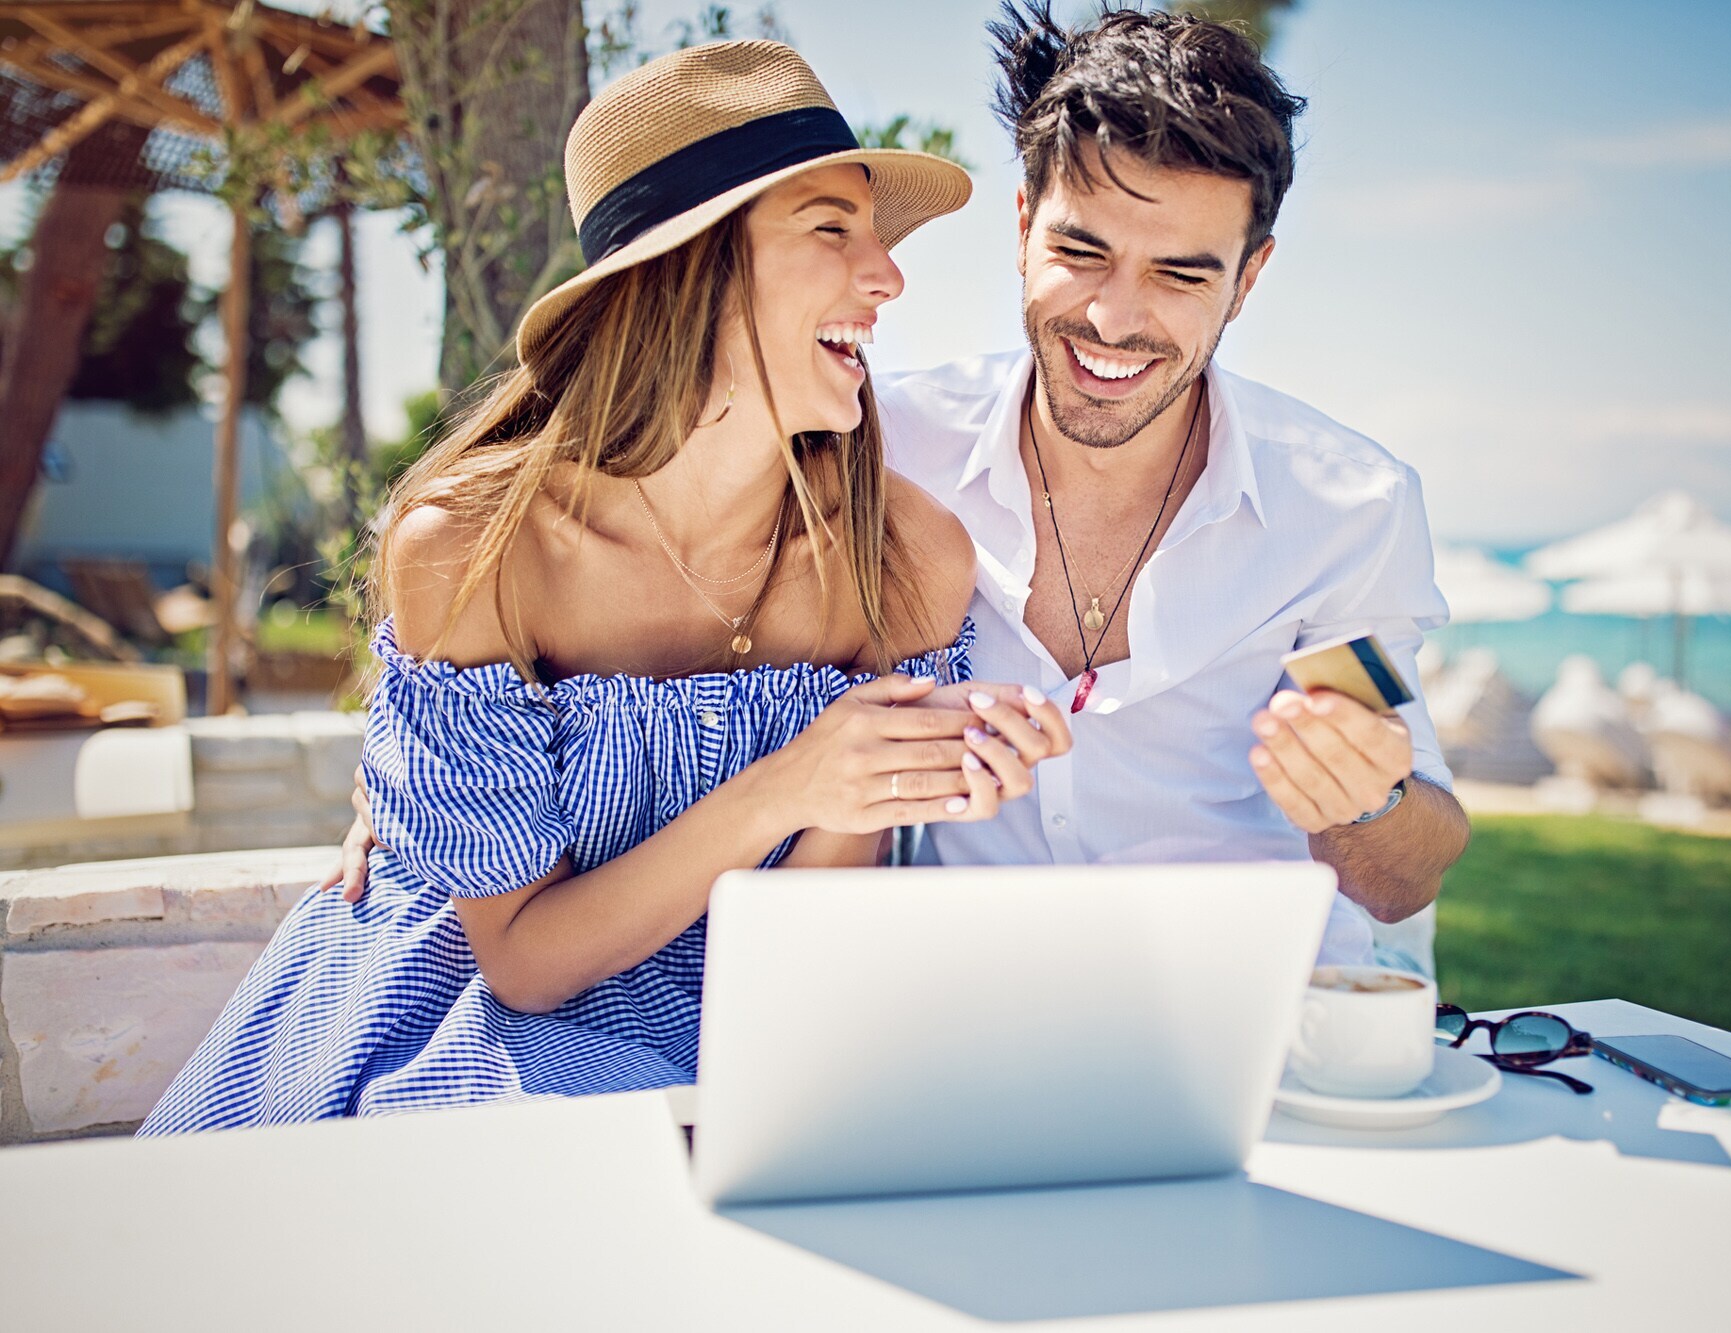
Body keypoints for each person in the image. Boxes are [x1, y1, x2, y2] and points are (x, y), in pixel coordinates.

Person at [331, 4, 1470, 971]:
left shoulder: (1345, 511)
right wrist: (424, 781)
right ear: (1021, 229)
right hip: (961, 1003)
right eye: (1081, 253)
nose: (1117, 319)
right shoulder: (869, 453)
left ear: (1250, 275)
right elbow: (539, 632)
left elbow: (1402, 873)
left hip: (1246, 1003)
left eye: (1181, 274)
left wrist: (1365, 799)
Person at [139, 42, 1068, 1134]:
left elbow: (808, 948)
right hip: (462, 1013)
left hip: (740, 1012)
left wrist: (875, 781)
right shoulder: (474, 549)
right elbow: (524, 963)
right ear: (691, 266)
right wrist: (787, 788)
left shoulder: (905, 555)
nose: (889, 277)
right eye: (832, 228)